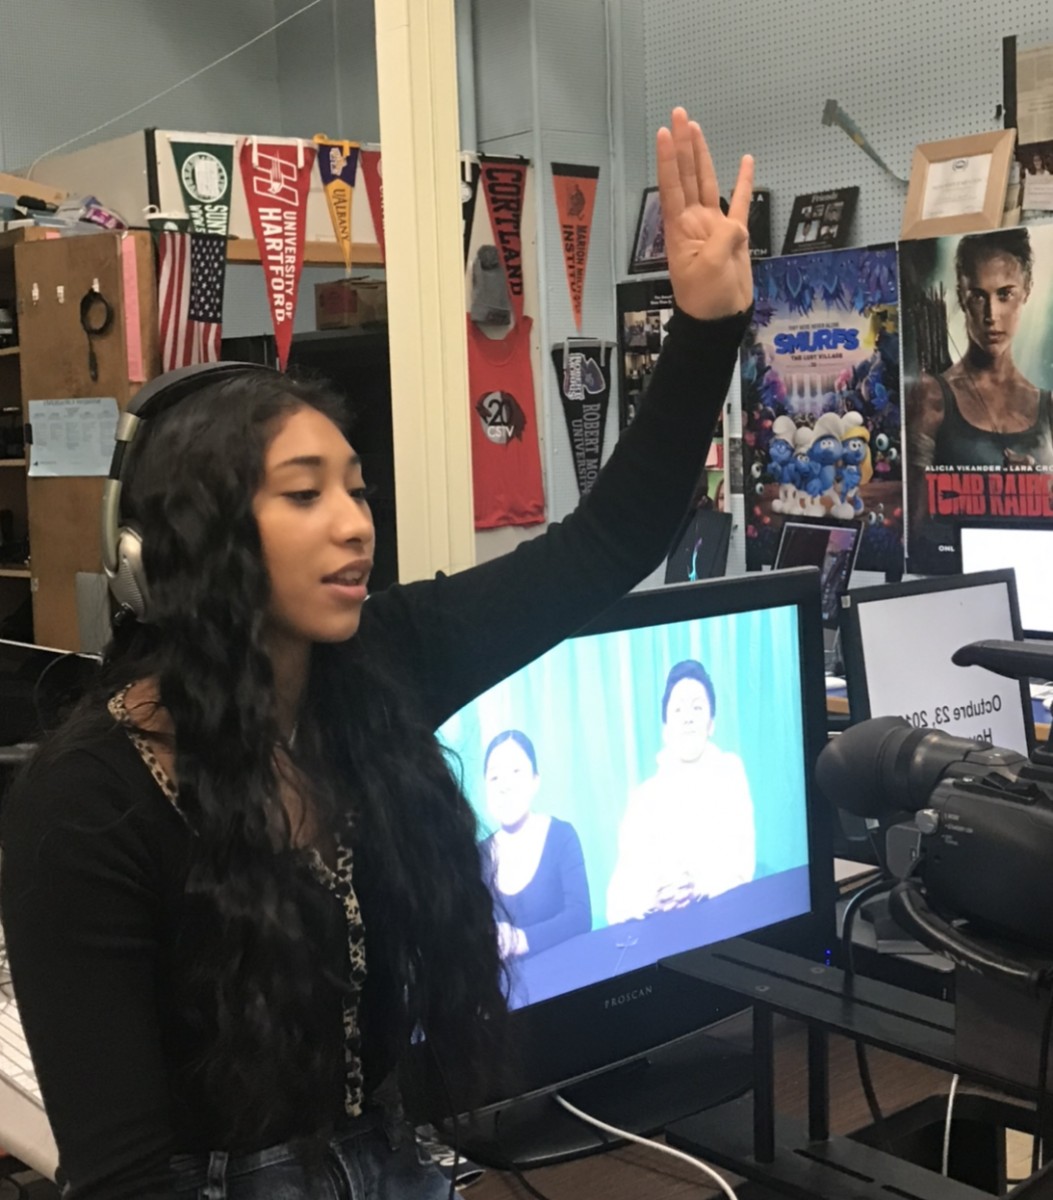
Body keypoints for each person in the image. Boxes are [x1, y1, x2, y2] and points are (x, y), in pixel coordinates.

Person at [0, 108, 754, 1199]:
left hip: (395, 1165)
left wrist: (706, 327)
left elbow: (608, 544)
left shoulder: (382, 670)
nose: (355, 524)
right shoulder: (90, 803)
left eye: (357, 489)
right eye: (304, 494)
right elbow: (121, 1179)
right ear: (186, 540)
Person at [907, 227, 1053, 541]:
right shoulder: (933, 396)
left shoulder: (1048, 406)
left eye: (1005, 294)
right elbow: (916, 529)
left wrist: (1037, 488)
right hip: (956, 577)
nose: (991, 315)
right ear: (961, 295)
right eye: (978, 296)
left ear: (1026, 290)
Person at [607, 660, 756, 926]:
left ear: (711, 724)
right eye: (677, 709)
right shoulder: (644, 797)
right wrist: (654, 899)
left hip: (723, 923)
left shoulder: (729, 771)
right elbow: (617, 902)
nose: (687, 717)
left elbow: (742, 867)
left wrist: (696, 888)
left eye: (697, 707)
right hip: (660, 932)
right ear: (665, 729)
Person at [479, 730, 591, 960]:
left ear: (535, 781)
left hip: (567, 976)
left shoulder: (561, 835)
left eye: (516, 772)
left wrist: (522, 939)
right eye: (494, 777)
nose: (504, 786)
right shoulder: (477, 855)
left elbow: (580, 916)